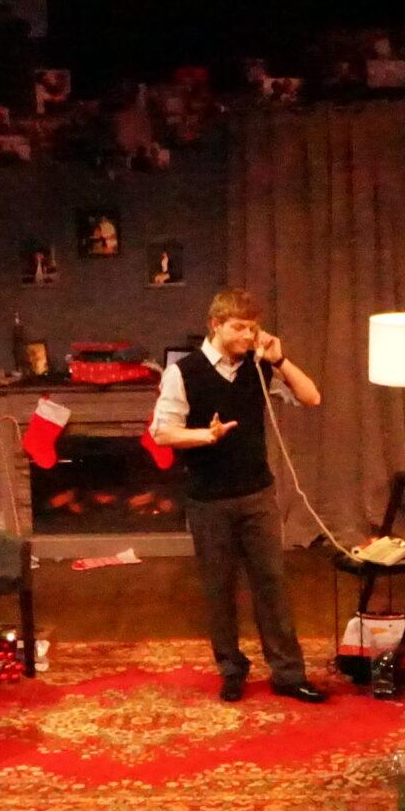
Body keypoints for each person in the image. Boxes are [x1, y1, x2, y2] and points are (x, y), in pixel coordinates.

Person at [149, 288, 327, 703]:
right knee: (219, 588)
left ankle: (288, 673)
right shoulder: (183, 373)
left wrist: (280, 359)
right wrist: (205, 436)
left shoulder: (259, 367)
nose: (248, 336)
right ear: (216, 325)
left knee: (272, 584)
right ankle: (231, 668)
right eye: (239, 327)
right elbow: (161, 432)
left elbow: (311, 397)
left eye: (253, 328)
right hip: (208, 499)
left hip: (257, 493)